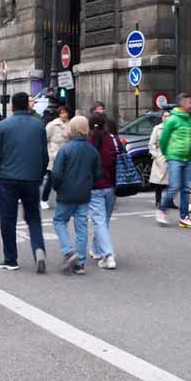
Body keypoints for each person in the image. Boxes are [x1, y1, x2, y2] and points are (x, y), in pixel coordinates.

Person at [0, 91, 49, 273]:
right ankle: (38, 249)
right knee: (33, 217)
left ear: (12, 106)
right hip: (32, 178)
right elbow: (44, 155)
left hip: (8, 177)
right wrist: (39, 175)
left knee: (8, 219)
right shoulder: (38, 125)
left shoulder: (3, 125)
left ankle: (10, 259)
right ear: (28, 106)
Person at [50, 115, 101, 275]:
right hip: (84, 193)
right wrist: (89, 184)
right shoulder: (92, 150)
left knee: (59, 221)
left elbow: (56, 174)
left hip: (66, 192)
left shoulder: (65, 149)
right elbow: (98, 174)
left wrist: (57, 187)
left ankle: (68, 251)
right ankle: (80, 263)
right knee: (81, 227)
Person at [156, 93, 191, 229]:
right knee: (174, 186)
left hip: (187, 157)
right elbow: (163, 139)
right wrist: (167, 154)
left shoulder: (189, 119)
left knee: (186, 188)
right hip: (174, 157)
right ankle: (162, 209)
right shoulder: (172, 119)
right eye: (189, 102)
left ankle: (184, 217)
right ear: (182, 103)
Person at [87, 112, 118, 269]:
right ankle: (96, 249)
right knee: (103, 221)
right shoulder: (113, 140)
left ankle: (108, 255)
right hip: (111, 186)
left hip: (95, 187)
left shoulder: (88, 141)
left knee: (99, 221)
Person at [42, 106, 69, 210]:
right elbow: (45, 139)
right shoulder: (52, 125)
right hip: (54, 155)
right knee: (51, 179)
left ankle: (62, 199)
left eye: (65, 112)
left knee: (65, 179)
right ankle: (44, 199)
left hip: (66, 155)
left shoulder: (70, 124)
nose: (64, 114)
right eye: (62, 113)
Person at [147, 109, 171, 208]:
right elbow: (151, 143)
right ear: (162, 118)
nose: (167, 118)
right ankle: (158, 199)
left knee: (172, 180)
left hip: (172, 155)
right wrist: (155, 155)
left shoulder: (173, 128)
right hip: (161, 156)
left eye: (169, 116)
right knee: (160, 181)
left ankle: (170, 201)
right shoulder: (157, 128)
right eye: (165, 116)